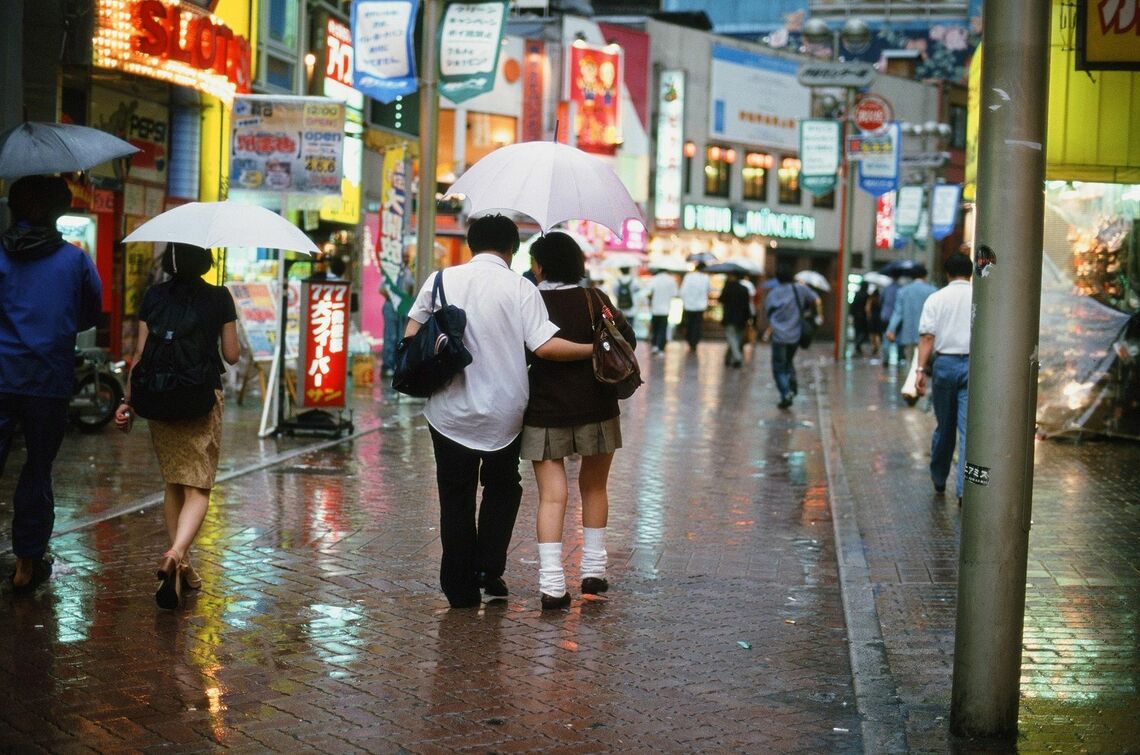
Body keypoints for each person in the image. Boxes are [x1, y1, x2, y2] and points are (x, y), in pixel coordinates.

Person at [404, 215, 592, 609]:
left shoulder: (440, 280)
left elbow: (410, 336)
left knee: (454, 497)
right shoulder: (521, 287)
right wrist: (595, 351)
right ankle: (489, 569)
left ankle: (459, 587)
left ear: (471, 244)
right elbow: (545, 347)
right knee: (503, 489)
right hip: (506, 412)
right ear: (512, 248)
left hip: (449, 410)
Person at [114, 243, 239, 609]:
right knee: (199, 485)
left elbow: (139, 356)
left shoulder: (153, 296)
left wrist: (127, 402)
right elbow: (231, 356)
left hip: (159, 396)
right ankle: (175, 554)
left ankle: (182, 569)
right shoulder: (219, 297)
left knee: (174, 480)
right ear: (205, 262)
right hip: (201, 398)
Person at [0, 175, 103, 592]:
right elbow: (90, 314)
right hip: (49, 379)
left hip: (1, 376)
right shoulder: (74, 261)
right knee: (37, 470)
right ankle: (27, 563)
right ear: (59, 212)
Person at [522, 232, 635, 609]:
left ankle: (552, 585)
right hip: (596, 406)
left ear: (540, 264)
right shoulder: (595, 298)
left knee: (552, 498)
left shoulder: (529, 299)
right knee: (595, 488)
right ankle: (594, 571)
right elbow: (626, 340)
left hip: (545, 408)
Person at [915, 251, 974, 505]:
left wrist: (920, 370)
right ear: (971, 273)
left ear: (947, 274)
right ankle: (963, 490)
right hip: (974, 365)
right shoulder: (980, 298)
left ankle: (939, 477)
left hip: (945, 364)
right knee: (967, 429)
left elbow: (927, 337)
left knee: (944, 426)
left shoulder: (936, 298)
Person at [764, 262, 822, 409]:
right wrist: (819, 316)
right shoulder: (800, 289)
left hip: (778, 337)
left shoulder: (773, 294)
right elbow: (816, 299)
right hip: (795, 335)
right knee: (788, 362)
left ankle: (786, 392)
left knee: (778, 367)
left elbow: (768, 314)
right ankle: (792, 381)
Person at [885, 265, 937, 367]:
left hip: (908, 333)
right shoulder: (933, 291)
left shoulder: (903, 291)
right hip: (928, 334)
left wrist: (890, 329)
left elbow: (897, 313)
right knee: (925, 365)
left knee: (911, 366)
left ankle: (912, 382)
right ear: (925, 276)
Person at [381, 254, 415, 376]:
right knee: (390, 336)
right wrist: (395, 298)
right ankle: (387, 365)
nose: (405, 259)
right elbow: (382, 289)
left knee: (401, 336)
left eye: (406, 257)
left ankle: (397, 364)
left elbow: (411, 288)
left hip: (403, 307)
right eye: (403, 257)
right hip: (390, 305)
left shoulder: (408, 272)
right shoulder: (390, 272)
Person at [719, 271, 751, 368]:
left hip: (730, 317)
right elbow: (747, 305)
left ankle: (737, 358)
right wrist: (748, 318)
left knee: (732, 339)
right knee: (735, 339)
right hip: (741, 318)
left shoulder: (728, 288)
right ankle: (728, 358)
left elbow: (721, 299)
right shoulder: (744, 289)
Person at [679, 262, 711, 352]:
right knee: (697, 325)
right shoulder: (706, 278)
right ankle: (694, 342)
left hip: (689, 305)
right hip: (700, 306)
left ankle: (690, 340)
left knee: (689, 324)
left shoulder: (688, 277)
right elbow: (709, 290)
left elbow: (683, 290)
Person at [647, 267, 678, 354]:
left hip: (655, 308)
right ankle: (660, 347)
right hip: (665, 309)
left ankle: (654, 345)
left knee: (655, 328)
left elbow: (648, 292)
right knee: (663, 329)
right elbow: (675, 294)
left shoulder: (654, 279)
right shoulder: (671, 280)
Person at [850, 280, 871, 357]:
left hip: (856, 316)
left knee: (857, 331)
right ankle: (858, 344)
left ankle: (857, 345)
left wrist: (852, 314)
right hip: (863, 317)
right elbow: (867, 307)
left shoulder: (857, 294)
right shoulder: (866, 295)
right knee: (864, 332)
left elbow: (853, 305)